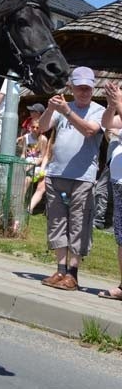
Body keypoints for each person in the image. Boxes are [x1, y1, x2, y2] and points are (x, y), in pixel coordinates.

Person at [38, 66, 105, 291]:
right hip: (57, 173)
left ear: (93, 88)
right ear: (72, 88)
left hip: (83, 178)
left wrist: (67, 112)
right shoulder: (63, 107)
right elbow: (43, 127)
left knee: (79, 225)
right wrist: (50, 108)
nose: (84, 92)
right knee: (57, 222)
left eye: (87, 88)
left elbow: (89, 131)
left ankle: (73, 274)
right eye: (80, 88)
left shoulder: (98, 110)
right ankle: (60, 269)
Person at [99, 82, 122, 300]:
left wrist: (119, 103)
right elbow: (106, 122)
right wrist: (111, 106)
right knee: (121, 237)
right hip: (119, 182)